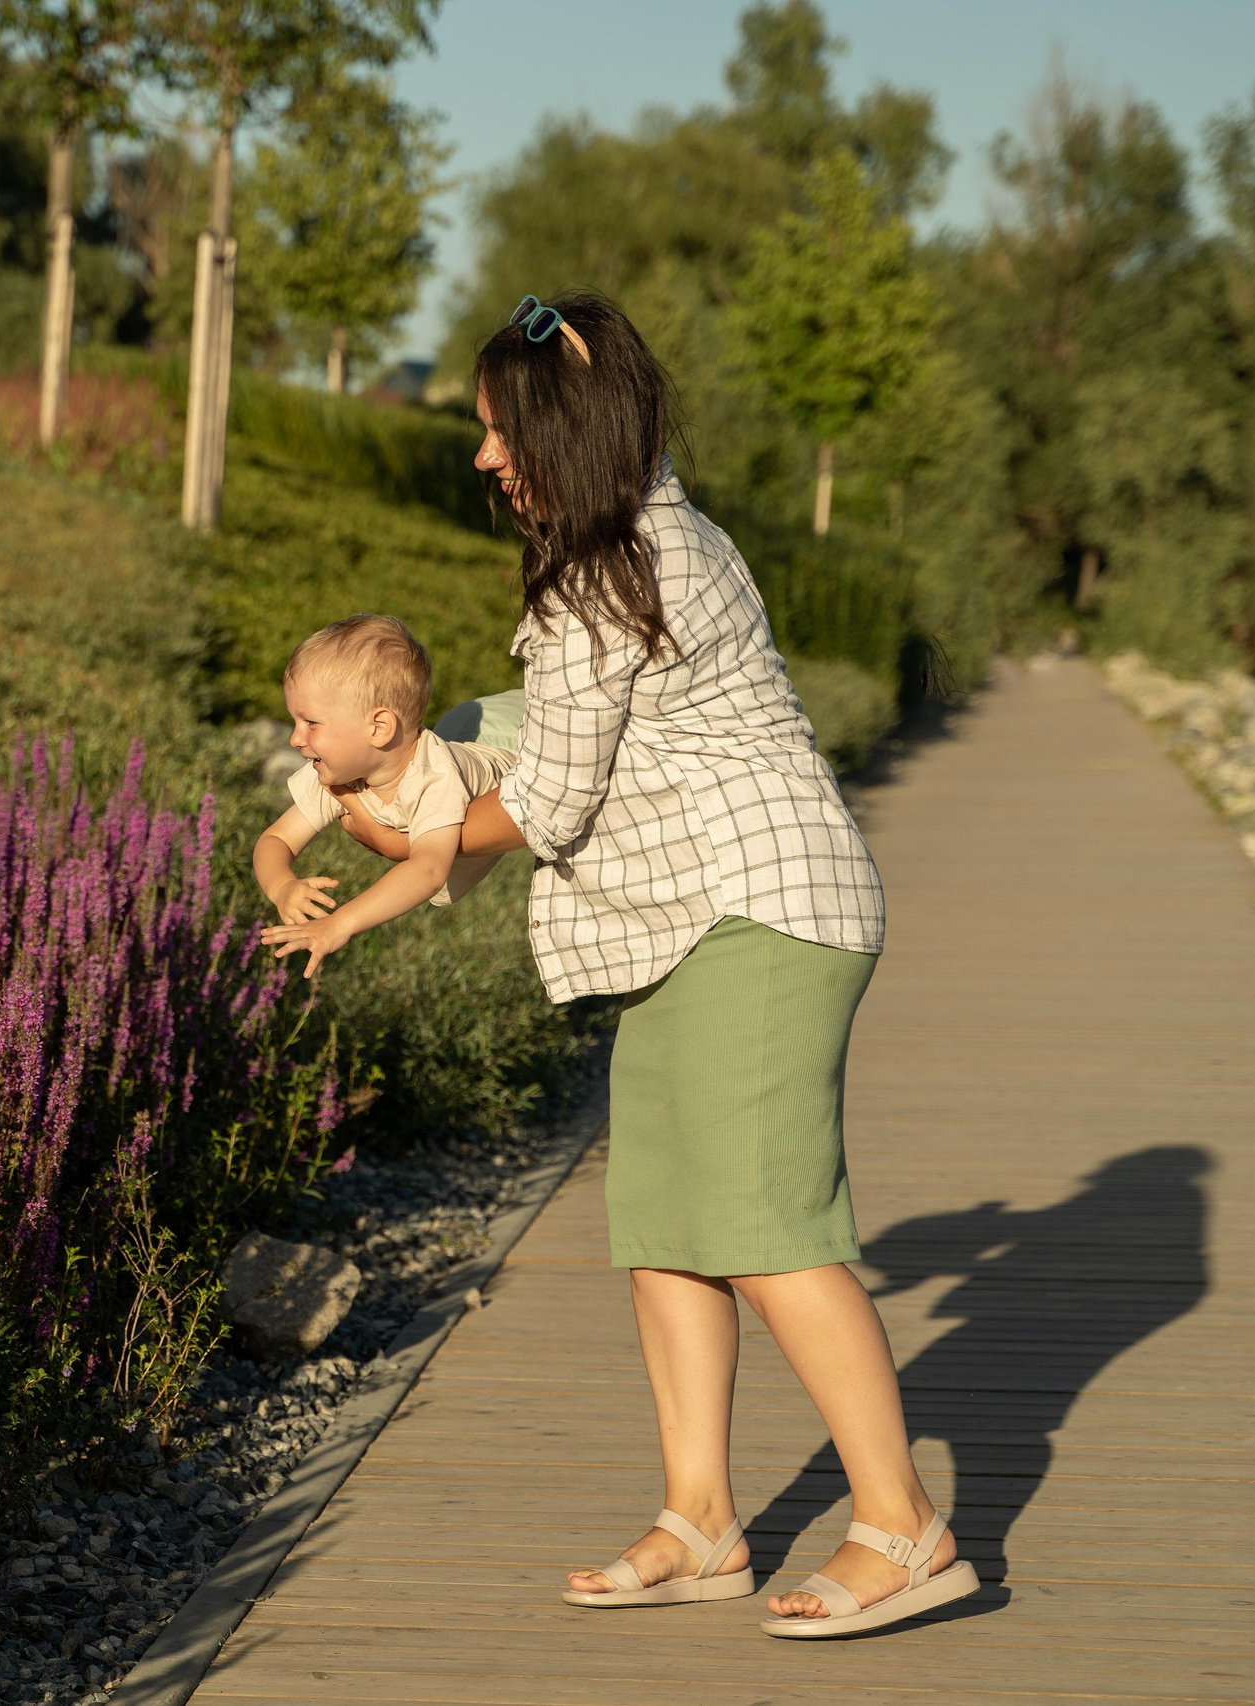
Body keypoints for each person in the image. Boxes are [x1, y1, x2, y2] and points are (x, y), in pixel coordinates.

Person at [422, 290, 980, 1638]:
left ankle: (906, 1530)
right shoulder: (636, 544)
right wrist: (425, 751)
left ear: (567, 427)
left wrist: (406, 832)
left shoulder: (615, 570)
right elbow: (556, 728)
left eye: (501, 432)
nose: (485, 458)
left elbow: (549, 796)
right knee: (670, 1226)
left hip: (760, 915)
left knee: (773, 1230)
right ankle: (702, 1520)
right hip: (700, 918)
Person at [254, 615, 516, 975]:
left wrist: (338, 924)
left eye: (311, 723)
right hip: (469, 739)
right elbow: (276, 838)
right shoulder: (336, 769)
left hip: (518, 742)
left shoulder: (433, 777)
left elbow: (427, 869)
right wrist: (282, 886)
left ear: (378, 728)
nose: (295, 739)